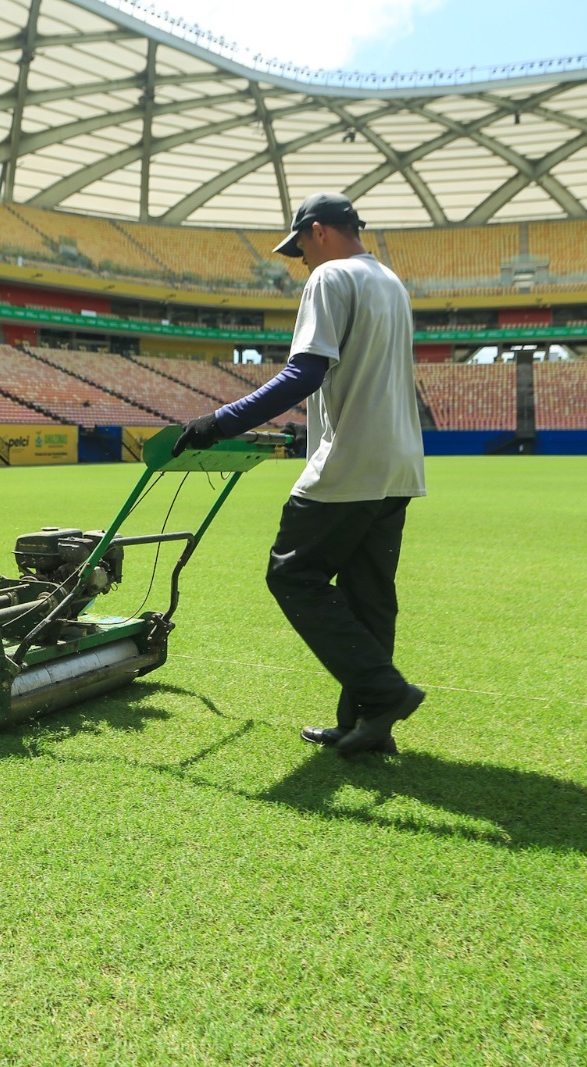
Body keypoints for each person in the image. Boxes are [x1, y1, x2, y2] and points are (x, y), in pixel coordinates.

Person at [173, 192, 427, 756]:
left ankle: (383, 694)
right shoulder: (390, 281)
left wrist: (220, 421)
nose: (302, 263)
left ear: (317, 231)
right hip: (399, 466)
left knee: (292, 576)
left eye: (300, 251)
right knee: (369, 597)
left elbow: (304, 372)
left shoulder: (331, 277)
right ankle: (367, 725)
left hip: (350, 464)